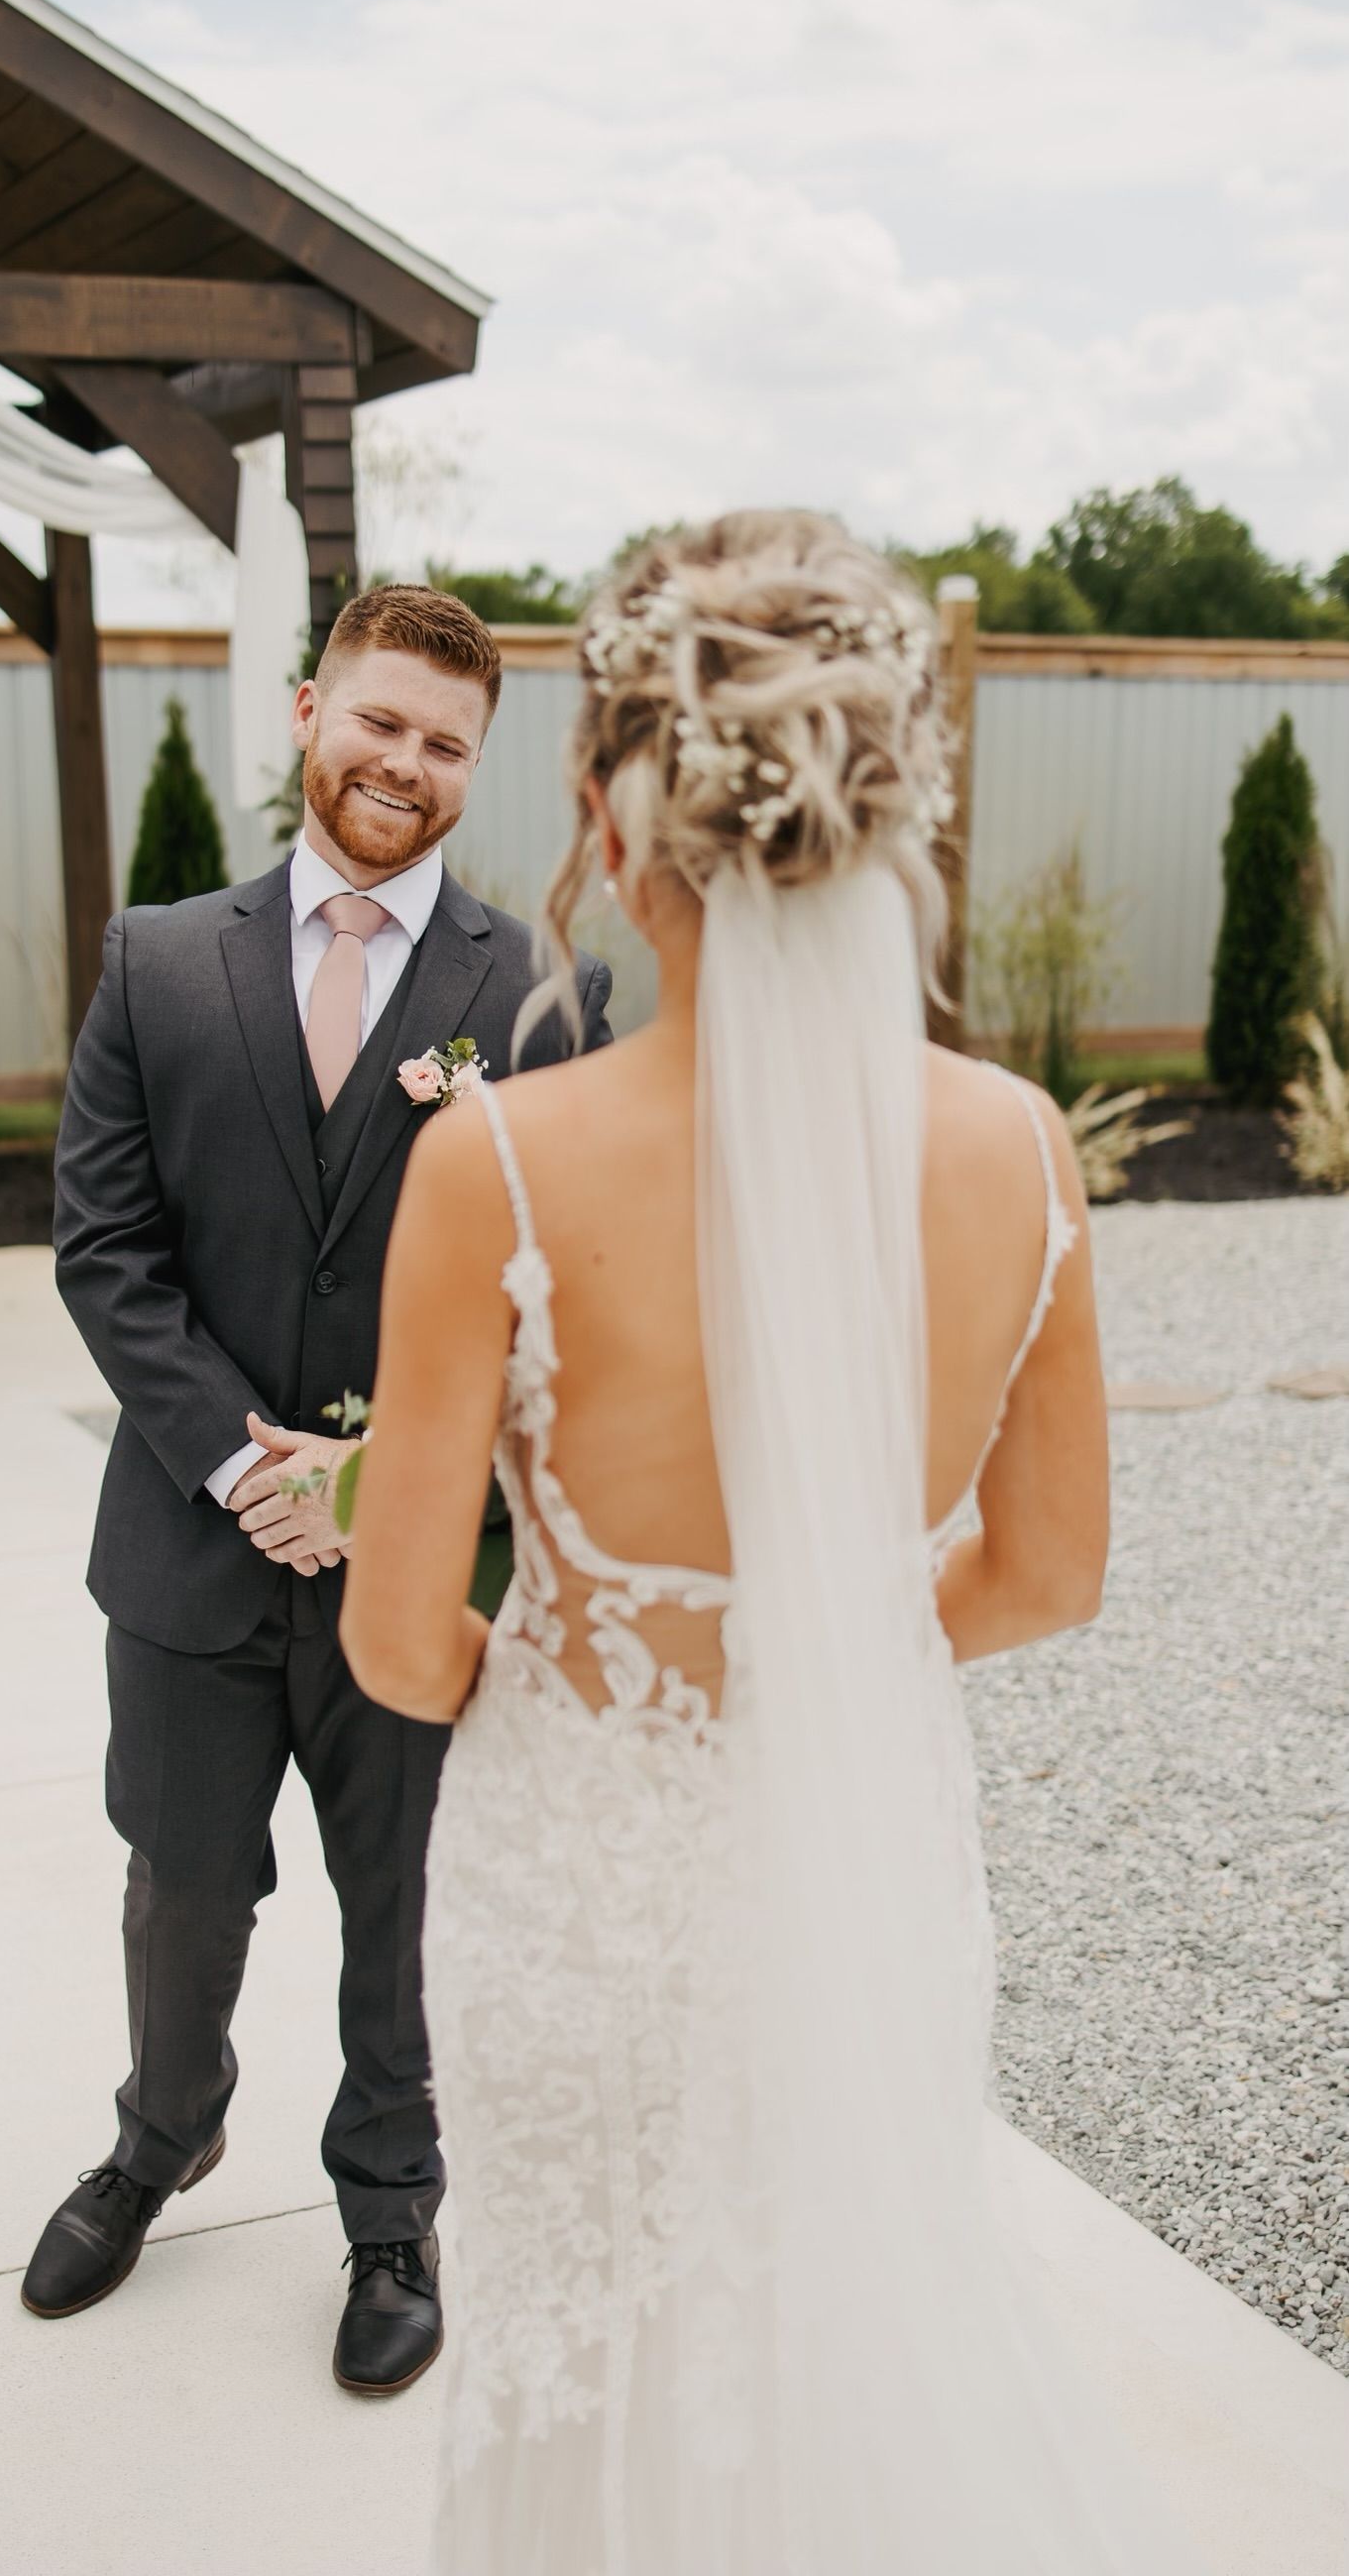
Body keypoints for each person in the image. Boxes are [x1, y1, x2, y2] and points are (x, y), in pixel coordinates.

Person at [341, 515, 1203, 2567]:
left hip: (573, 1895)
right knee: (833, 2340)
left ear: (610, 821)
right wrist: (828, 1644)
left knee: (587, 2354)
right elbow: (1047, 1574)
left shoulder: (498, 1165)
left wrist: (572, 1694)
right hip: (861, 1863)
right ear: (885, 812)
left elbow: (394, 1641)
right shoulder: (1012, 1146)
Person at [28, 584, 613, 2394]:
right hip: (191, 1557)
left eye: (444, 745)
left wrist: (379, 1481)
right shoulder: (156, 957)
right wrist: (238, 1466)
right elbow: (105, 1251)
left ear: (474, 768)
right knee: (183, 1880)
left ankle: (389, 2205)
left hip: (417, 1557)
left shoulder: (532, 997)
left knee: (400, 1898)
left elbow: (557, 1287)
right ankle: (163, 2132)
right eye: (376, 723)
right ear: (304, 713)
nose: (403, 766)